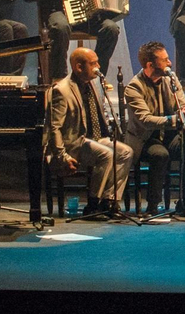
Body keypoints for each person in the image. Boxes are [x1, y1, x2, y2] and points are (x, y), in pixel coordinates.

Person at [46, 47, 133, 213]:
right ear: (79, 67)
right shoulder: (62, 90)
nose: (98, 67)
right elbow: (54, 127)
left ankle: (109, 201)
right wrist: (61, 155)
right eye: (93, 63)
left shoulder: (93, 83)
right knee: (106, 154)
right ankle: (93, 204)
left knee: (125, 152)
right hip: (74, 143)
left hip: (95, 138)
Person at [123, 41, 185, 214]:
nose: (170, 63)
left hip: (168, 135)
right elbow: (145, 120)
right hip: (145, 138)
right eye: (165, 60)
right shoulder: (134, 87)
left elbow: (182, 104)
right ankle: (153, 205)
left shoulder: (170, 79)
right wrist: (177, 118)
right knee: (160, 154)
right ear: (150, 65)